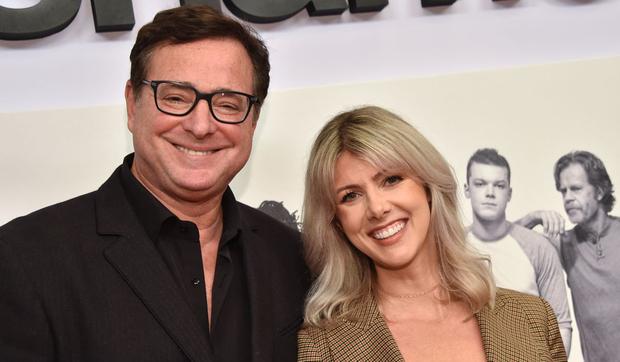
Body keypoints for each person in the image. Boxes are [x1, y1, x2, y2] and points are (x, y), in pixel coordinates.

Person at [0, 5, 308, 362]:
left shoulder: (291, 254)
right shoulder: (26, 259)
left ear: (253, 121)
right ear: (132, 105)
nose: (201, 126)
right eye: (176, 98)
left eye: (227, 104)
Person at [297, 106, 567, 361]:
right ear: (336, 221)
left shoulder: (533, 318)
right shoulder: (324, 348)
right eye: (351, 196)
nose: (377, 208)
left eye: (391, 180)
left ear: (427, 187)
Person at [464, 148, 572, 353]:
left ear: (509, 193)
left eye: (499, 185)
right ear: (467, 190)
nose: (490, 193)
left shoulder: (538, 248)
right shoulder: (450, 247)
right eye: (480, 184)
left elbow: (560, 324)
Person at [518, 150, 620, 362]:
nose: (568, 198)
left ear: (600, 191)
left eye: (576, 189)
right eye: (563, 191)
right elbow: (505, 239)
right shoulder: (565, 244)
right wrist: (534, 217)